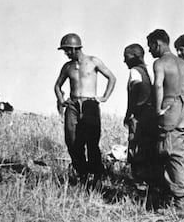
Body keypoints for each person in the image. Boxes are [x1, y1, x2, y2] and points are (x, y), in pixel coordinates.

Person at [147, 29, 184, 217]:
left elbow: (158, 85)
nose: (150, 51)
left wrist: (158, 109)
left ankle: (180, 205)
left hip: (171, 113)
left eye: (150, 46)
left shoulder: (159, 63)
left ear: (157, 44)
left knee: (174, 157)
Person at [54, 33, 116, 181]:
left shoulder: (93, 61)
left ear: (75, 48)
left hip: (90, 105)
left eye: (68, 50)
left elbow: (111, 78)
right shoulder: (67, 67)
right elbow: (57, 86)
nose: (66, 53)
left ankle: (96, 174)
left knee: (92, 142)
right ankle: (82, 172)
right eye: (65, 50)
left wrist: (105, 97)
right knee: (72, 140)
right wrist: (62, 100)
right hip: (73, 106)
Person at [123, 43, 159, 190]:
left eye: (127, 57)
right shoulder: (150, 71)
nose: (124, 61)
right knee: (149, 148)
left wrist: (129, 113)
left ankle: (140, 184)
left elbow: (136, 92)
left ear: (135, 57)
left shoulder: (134, 72)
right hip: (151, 115)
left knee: (136, 147)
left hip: (140, 115)